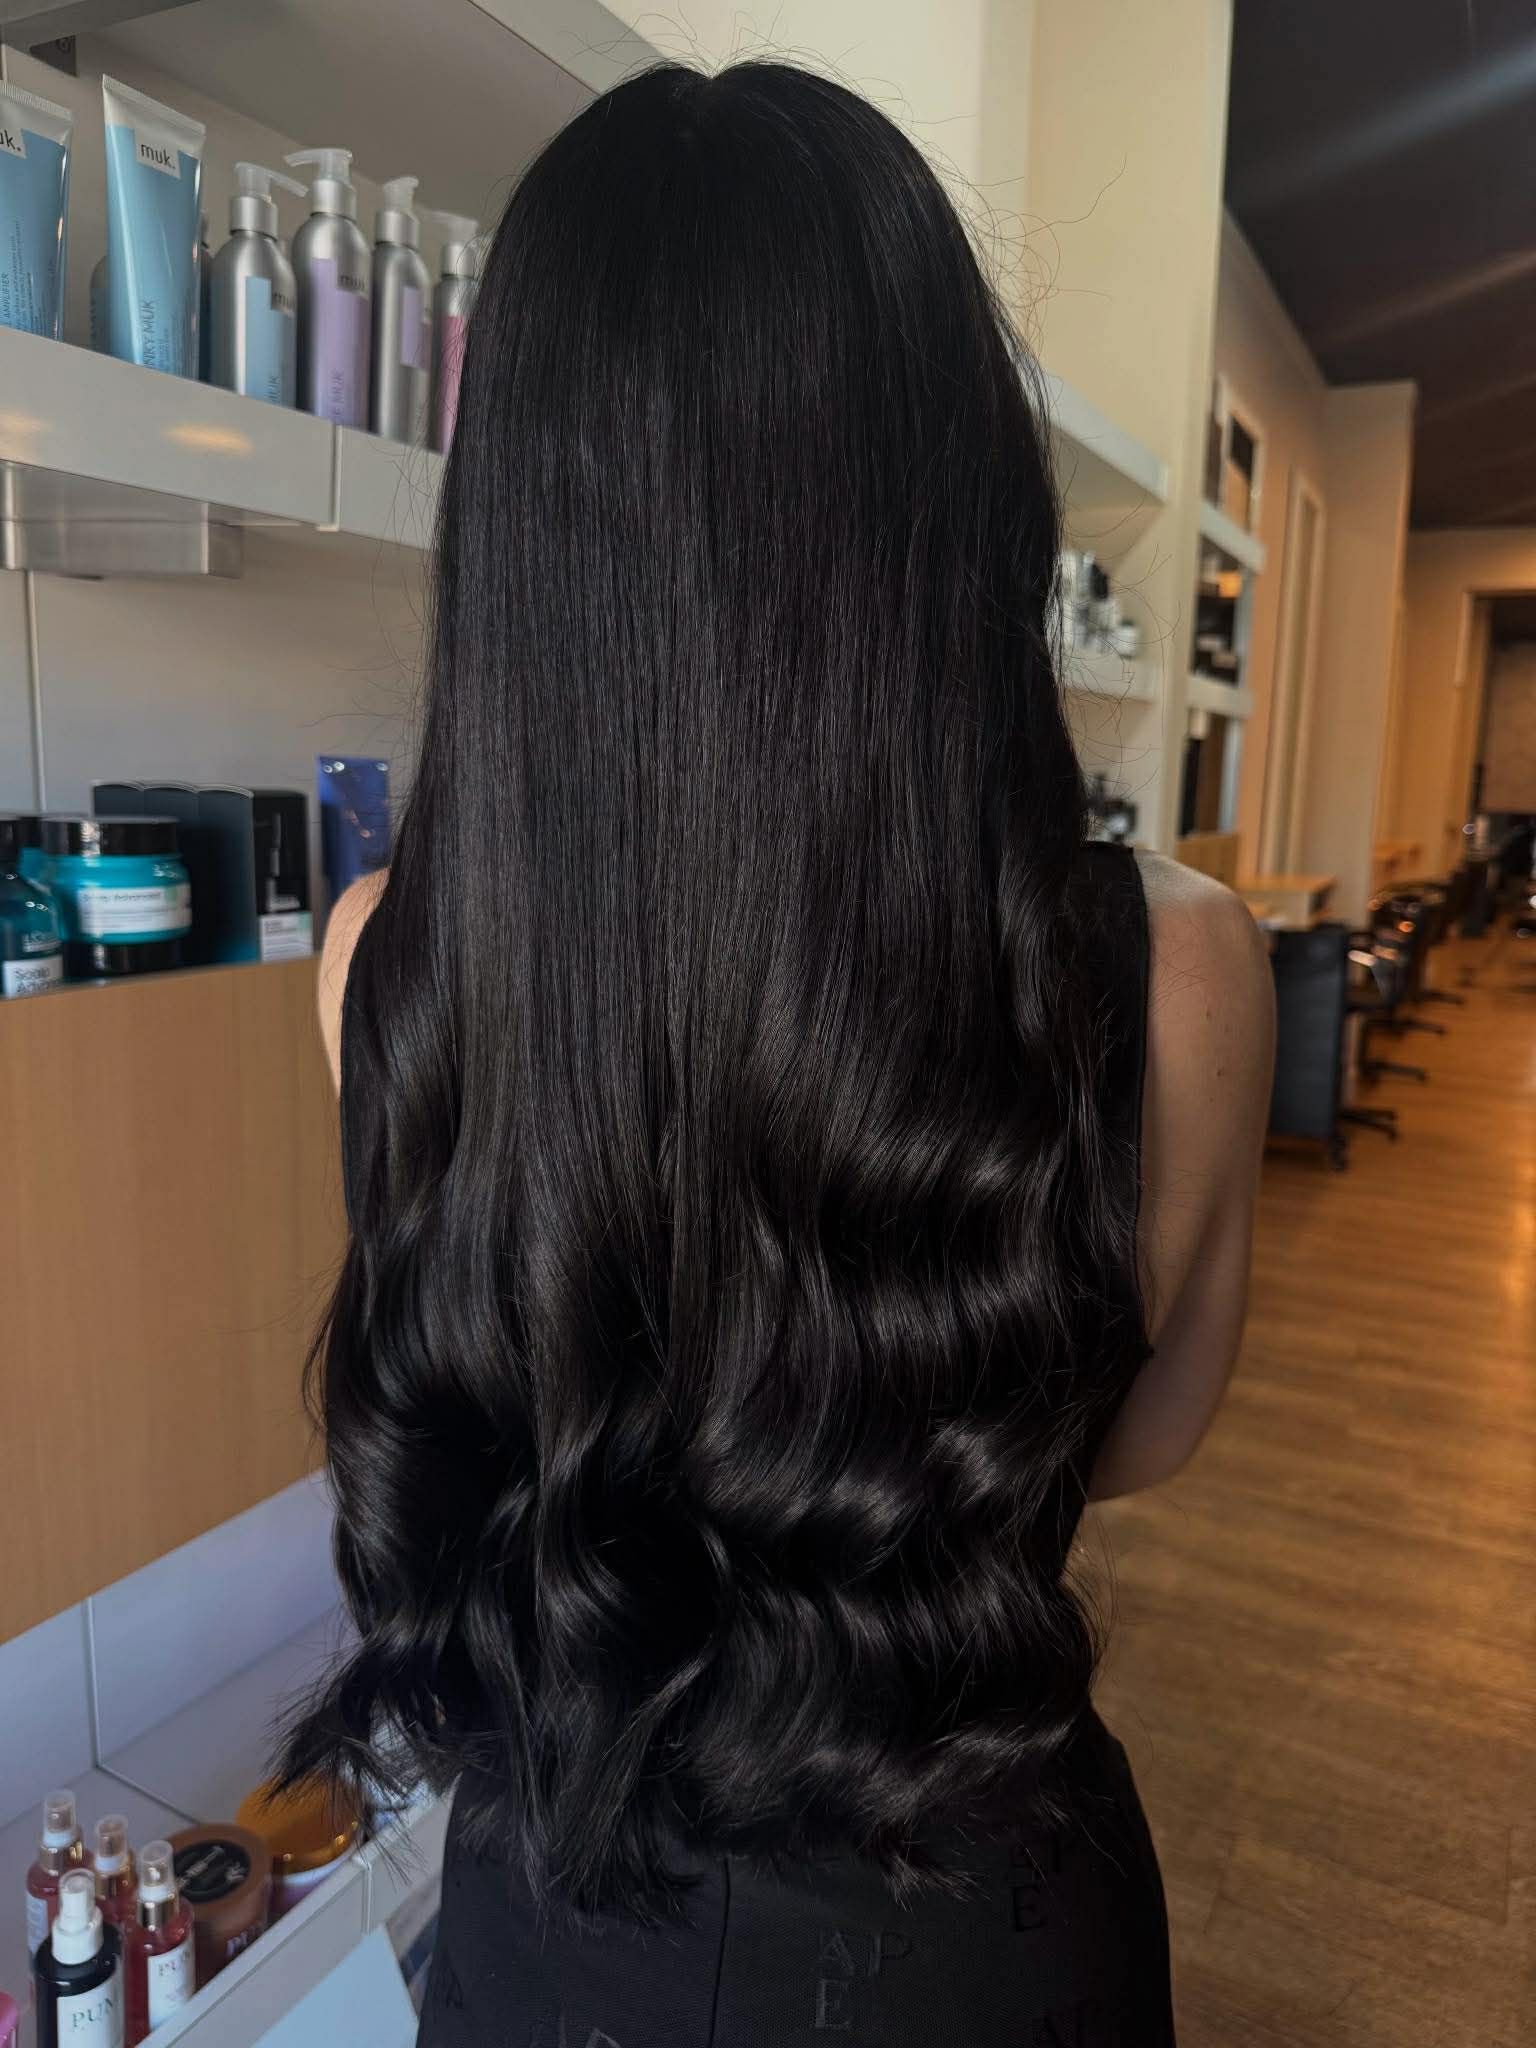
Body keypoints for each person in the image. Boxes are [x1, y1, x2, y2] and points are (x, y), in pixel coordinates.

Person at [287, 59, 1274, 2048]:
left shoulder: (381, 957)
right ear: (954, 505)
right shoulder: (1179, 973)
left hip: (558, 1913)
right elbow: (1142, 1438)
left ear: (526, 534)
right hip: (980, 1920)